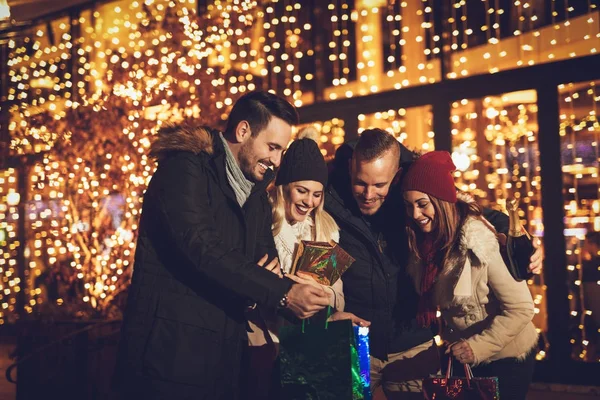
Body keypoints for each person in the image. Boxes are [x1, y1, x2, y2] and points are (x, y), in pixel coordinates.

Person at [113, 91, 330, 400]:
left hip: (224, 358)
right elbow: (202, 247)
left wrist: (303, 300)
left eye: (281, 150)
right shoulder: (185, 169)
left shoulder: (254, 193)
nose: (277, 161)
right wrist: (279, 292)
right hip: (168, 357)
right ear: (243, 131)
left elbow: (266, 265)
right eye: (272, 147)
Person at [324, 128, 543, 399]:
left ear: (396, 176)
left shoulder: (413, 189)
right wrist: (325, 314)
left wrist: (522, 244)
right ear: (349, 169)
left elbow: (461, 210)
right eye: (360, 183)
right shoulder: (329, 203)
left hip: (414, 343)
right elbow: (318, 269)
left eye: (380, 185)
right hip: (356, 342)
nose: (368, 194)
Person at [401, 150, 538, 400]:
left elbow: (521, 308)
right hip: (466, 357)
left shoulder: (478, 242)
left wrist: (476, 347)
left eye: (422, 204)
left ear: (442, 201)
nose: (415, 214)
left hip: (507, 358)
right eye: (409, 206)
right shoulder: (427, 245)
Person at [243, 126, 357, 400]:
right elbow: (242, 281)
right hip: (263, 347)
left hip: (310, 347)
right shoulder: (262, 223)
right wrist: (268, 288)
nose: (309, 202)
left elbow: (337, 295)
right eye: (302, 191)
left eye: (317, 194)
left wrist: (323, 293)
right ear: (284, 187)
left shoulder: (324, 229)